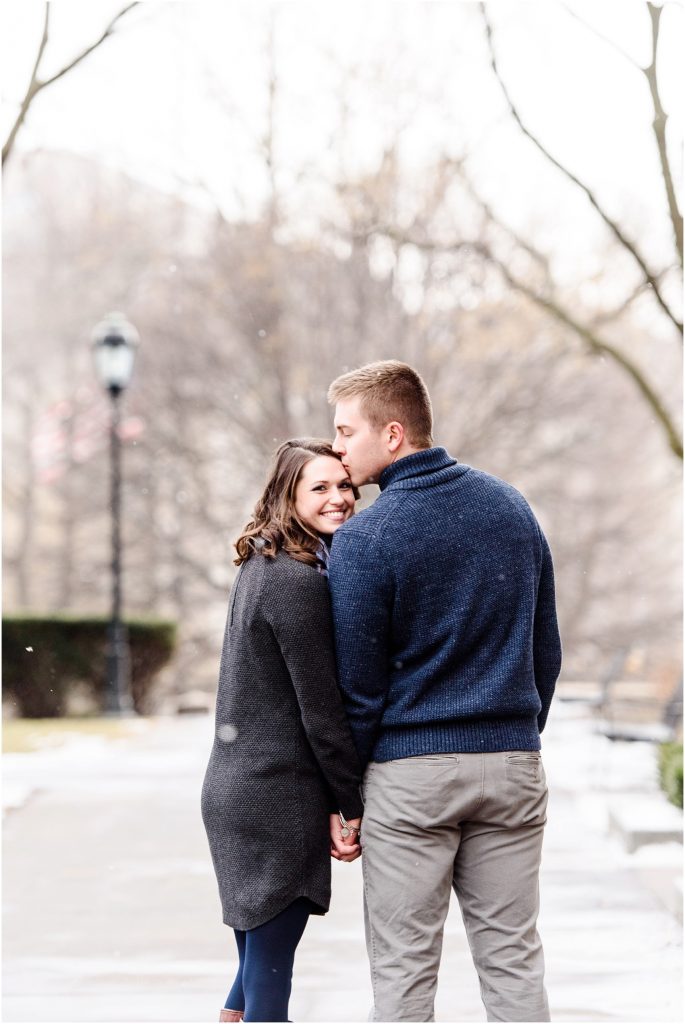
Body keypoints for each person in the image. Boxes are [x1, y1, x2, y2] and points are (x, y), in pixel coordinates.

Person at [327, 360, 562, 1023]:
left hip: (411, 775)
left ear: (393, 432)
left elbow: (359, 688)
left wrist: (346, 796)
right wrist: (511, 735)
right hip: (512, 763)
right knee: (512, 955)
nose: (338, 449)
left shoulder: (367, 538)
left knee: (404, 966)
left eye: (346, 432)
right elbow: (546, 650)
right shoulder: (510, 508)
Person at [201, 439, 363, 1024]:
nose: (339, 497)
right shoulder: (298, 581)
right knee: (270, 996)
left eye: (343, 485)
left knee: (246, 989)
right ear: (288, 496)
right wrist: (350, 802)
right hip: (276, 799)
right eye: (319, 488)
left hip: (238, 790)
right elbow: (320, 711)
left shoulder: (260, 565)